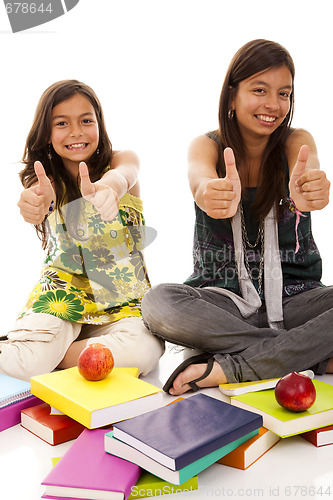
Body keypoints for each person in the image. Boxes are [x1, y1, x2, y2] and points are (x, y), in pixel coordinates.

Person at [141, 39, 331, 396]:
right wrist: (208, 192)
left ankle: (234, 366)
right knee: (157, 303)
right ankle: (310, 354)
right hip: (224, 303)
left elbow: (309, 166)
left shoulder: (296, 141)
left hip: (296, 299)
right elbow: (199, 176)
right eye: (259, 90)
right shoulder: (207, 145)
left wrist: (311, 185)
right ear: (232, 96)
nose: (274, 105)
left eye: (284, 94)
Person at [0, 79, 164, 382]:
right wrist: (35, 203)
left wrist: (109, 188)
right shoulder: (46, 180)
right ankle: (43, 351)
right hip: (63, 293)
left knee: (144, 352)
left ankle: (55, 354)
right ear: (47, 134)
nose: (76, 132)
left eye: (86, 121)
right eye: (62, 123)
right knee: (24, 364)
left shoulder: (122, 159)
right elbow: (39, 198)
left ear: (99, 125)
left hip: (121, 299)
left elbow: (125, 174)